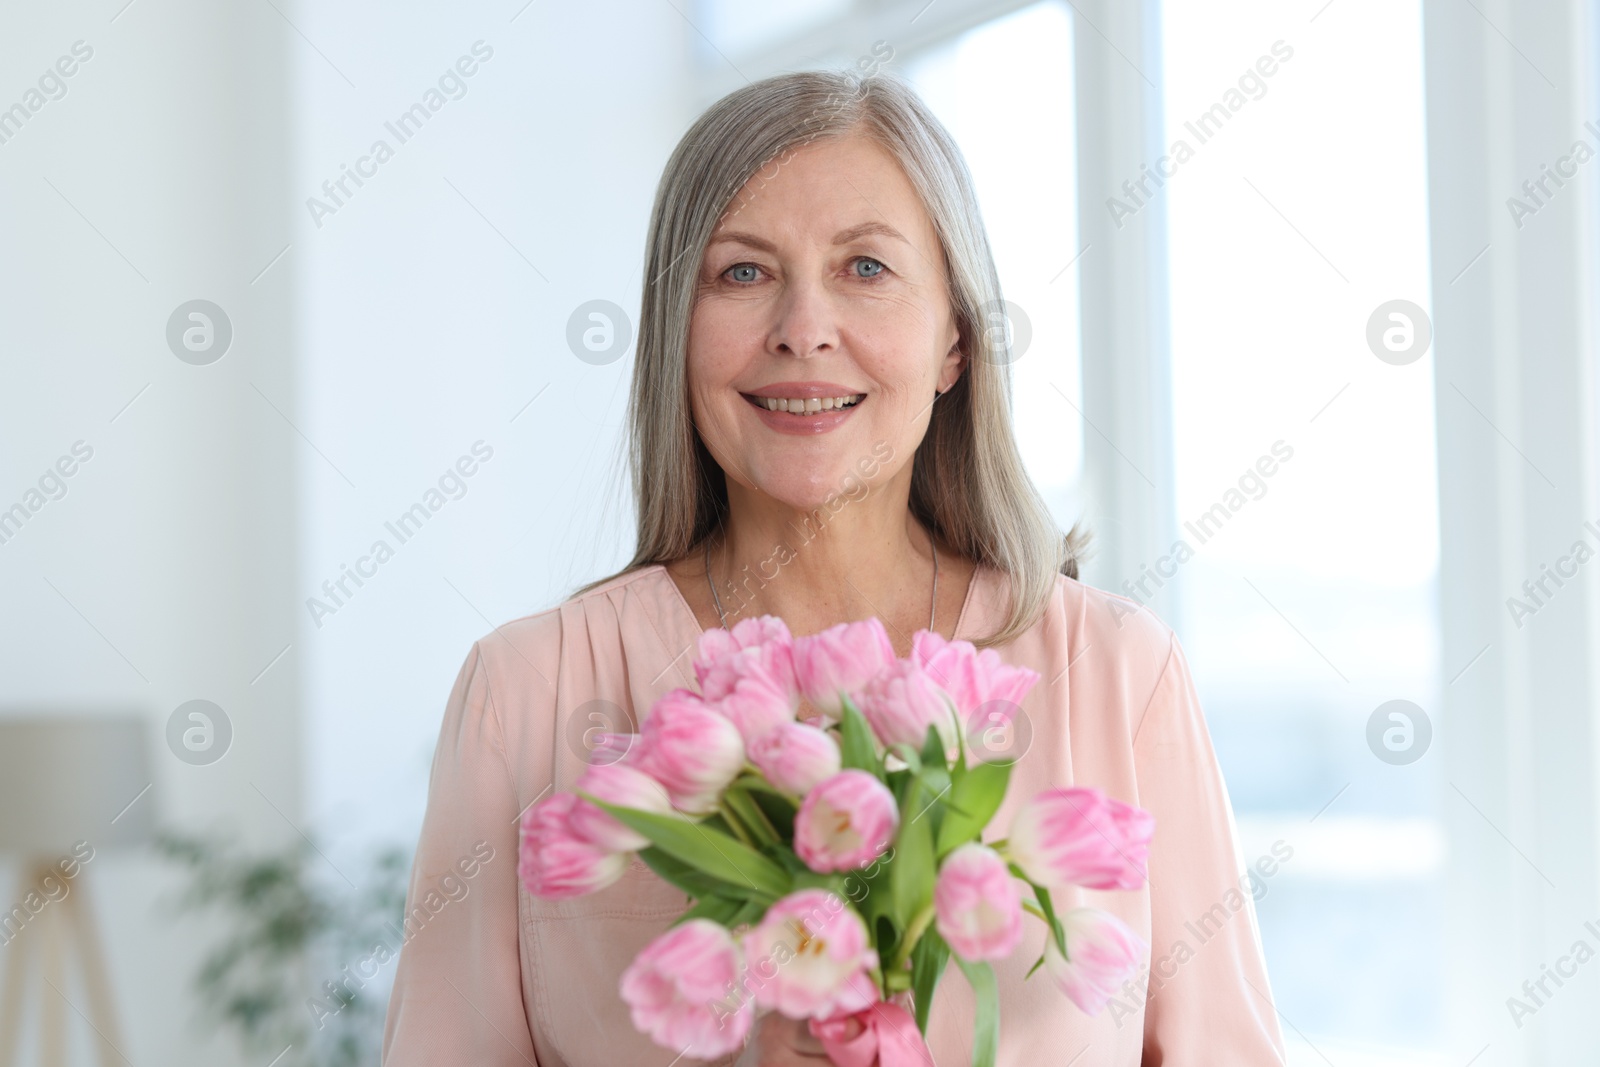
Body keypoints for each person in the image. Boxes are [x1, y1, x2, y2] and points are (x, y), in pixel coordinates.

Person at [381, 68, 1286, 1066]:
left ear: (955, 339)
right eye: (740, 272)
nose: (802, 327)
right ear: (673, 336)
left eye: (864, 268)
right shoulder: (527, 696)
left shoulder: (1118, 674)